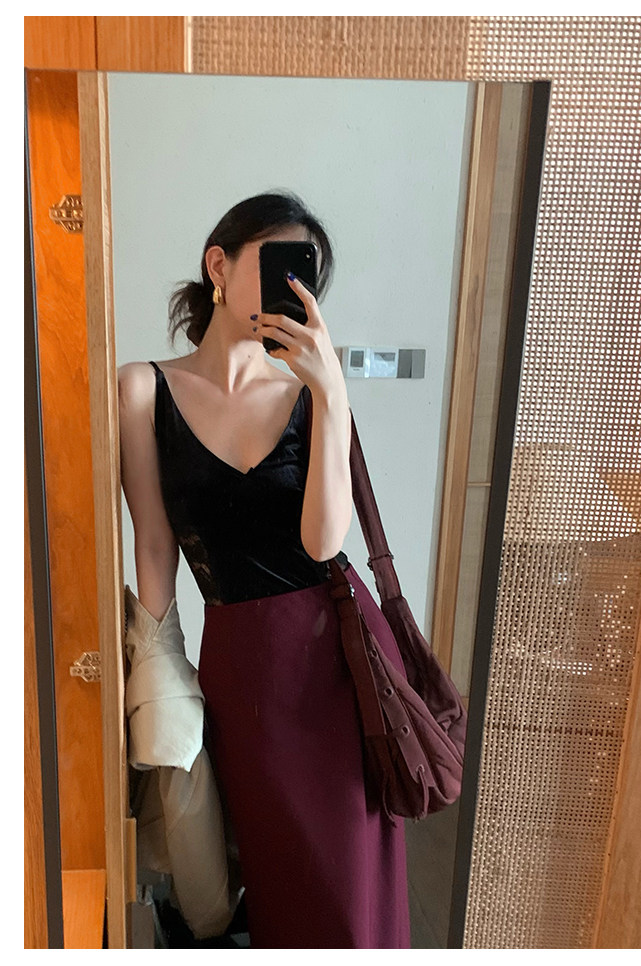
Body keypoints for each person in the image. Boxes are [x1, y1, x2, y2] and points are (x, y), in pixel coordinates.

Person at [117, 192, 411, 949]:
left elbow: (322, 542)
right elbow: (154, 545)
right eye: (279, 265)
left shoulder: (309, 395)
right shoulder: (143, 389)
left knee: (348, 873)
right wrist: (156, 666)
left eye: (306, 275)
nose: (295, 288)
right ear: (218, 266)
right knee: (277, 870)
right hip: (242, 667)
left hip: (335, 657)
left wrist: (333, 393)